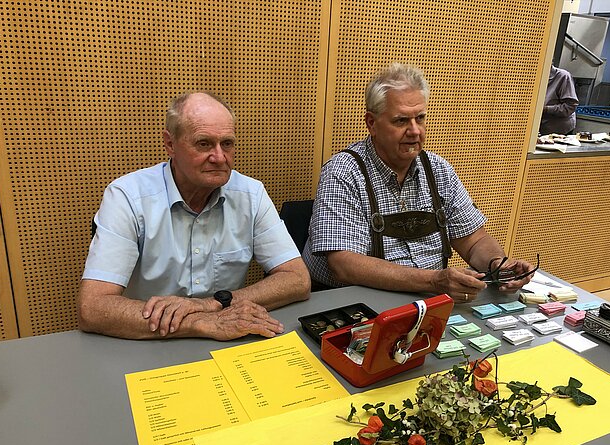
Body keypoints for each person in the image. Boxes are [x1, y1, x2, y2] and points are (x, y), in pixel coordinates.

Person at [78, 92, 310, 340]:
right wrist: (199, 322)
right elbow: (92, 308)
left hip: (229, 337)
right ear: (170, 144)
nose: (219, 157)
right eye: (203, 143)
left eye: (227, 143)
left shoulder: (251, 194)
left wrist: (211, 304)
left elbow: (297, 279)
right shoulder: (127, 197)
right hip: (148, 338)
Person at [303, 63, 535, 303]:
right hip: (356, 302)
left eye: (420, 118)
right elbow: (344, 265)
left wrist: (497, 265)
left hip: (428, 300)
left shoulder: (438, 170)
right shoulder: (344, 172)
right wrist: (433, 281)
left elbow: (474, 240)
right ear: (371, 123)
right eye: (401, 121)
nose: (415, 131)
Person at [539, 65, 579, 135]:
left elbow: (570, 107)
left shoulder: (563, 76)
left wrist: (545, 109)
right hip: (539, 127)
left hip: (558, 129)